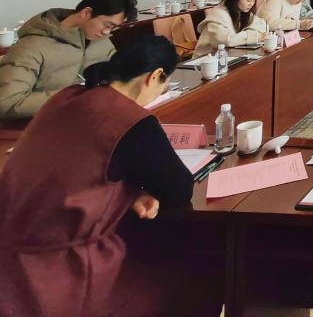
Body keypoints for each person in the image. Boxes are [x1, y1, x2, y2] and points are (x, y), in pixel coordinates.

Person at [0, 36, 207, 317]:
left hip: (12, 258)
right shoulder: (130, 121)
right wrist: (135, 190)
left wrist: (128, 193)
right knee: (191, 279)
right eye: (164, 85)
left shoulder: (67, 96)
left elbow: (73, 164)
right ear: (154, 76)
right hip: (59, 273)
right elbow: (178, 189)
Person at [0, 0, 137, 119]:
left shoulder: (102, 43)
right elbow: (8, 102)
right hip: (38, 126)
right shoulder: (32, 46)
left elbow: (118, 77)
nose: (106, 32)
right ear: (86, 13)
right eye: (107, 25)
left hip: (90, 119)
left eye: (113, 28)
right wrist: (74, 97)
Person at [192, 0, 268, 58]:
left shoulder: (242, 12)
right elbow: (226, 40)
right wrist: (255, 36)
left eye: (253, 1)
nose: (251, 4)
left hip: (226, 57)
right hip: (204, 60)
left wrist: (255, 35)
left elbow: (262, 24)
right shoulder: (219, 14)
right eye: (248, 0)